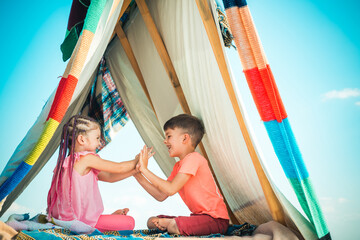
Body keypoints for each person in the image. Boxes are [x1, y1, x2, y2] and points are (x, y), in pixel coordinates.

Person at [134, 114, 229, 236]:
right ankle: (170, 223)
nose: (165, 141)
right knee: (151, 221)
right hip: (198, 218)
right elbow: (161, 195)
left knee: (174, 225)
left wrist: (145, 170)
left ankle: (172, 223)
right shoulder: (178, 166)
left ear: (185, 138)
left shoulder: (194, 159)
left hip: (216, 220)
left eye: (168, 136)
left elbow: (171, 189)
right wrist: (138, 174)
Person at [47, 115, 143, 232]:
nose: (99, 143)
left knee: (121, 220)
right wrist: (139, 160)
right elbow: (119, 167)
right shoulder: (87, 159)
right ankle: (101, 223)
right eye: (97, 138)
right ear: (82, 139)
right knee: (129, 222)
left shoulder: (65, 164)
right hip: (80, 221)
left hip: (64, 219)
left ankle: (108, 219)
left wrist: (135, 170)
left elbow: (109, 177)